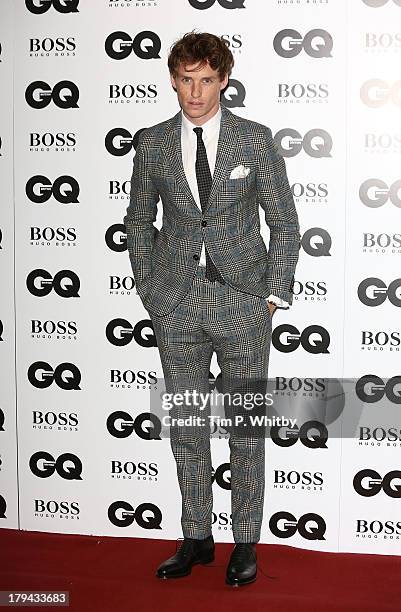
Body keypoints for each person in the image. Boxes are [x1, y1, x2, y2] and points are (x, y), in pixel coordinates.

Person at [123, 31, 301, 586]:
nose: (194, 92)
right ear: (172, 80)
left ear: (223, 79)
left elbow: (285, 223)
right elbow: (138, 222)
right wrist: (151, 290)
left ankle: (245, 541)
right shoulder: (151, 142)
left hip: (244, 305)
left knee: (246, 427)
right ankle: (197, 535)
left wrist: (272, 296)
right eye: (184, 79)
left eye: (205, 80)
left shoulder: (254, 140)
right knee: (188, 425)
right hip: (177, 305)